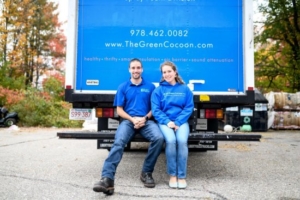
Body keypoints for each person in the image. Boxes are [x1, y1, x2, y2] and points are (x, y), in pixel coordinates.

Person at [93, 58, 164, 195]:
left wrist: (144, 118)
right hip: (128, 121)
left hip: (146, 121)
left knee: (159, 138)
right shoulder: (123, 87)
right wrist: (133, 119)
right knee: (119, 142)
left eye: (138, 68)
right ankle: (107, 179)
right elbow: (119, 110)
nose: (136, 70)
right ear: (129, 70)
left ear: (142, 69)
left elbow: (155, 108)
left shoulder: (150, 87)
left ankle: (146, 172)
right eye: (133, 68)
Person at [151, 61, 194, 189]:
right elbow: (156, 110)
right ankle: (172, 175)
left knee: (181, 141)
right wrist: (168, 122)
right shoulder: (158, 90)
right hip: (165, 122)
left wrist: (178, 122)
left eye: (169, 71)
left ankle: (181, 176)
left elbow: (188, 107)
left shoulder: (185, 89)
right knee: (170, 140)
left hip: (180, 122)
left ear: (175, 72)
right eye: (164, 72)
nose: (167, 74)